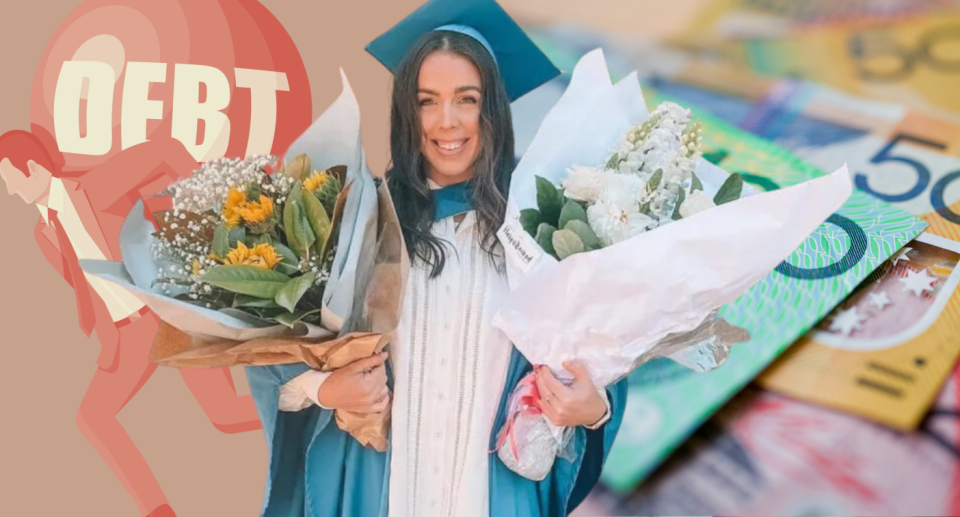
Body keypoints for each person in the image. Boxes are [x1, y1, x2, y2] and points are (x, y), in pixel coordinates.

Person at [245, 0, 626, 516]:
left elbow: (602, 357)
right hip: (378, 489)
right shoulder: (357, 220)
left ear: (491, 108)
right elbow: (273, 359)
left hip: (493, 494)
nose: (446, 122)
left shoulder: (541, 228)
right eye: (427, 101)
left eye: (466, 99)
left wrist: (595, 409)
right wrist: (328, 388)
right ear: (407, 111)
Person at [0, 131, 263, 517]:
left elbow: (164, 150)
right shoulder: (43, 233)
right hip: (127, 336)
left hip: (165, 313)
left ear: (34, 170)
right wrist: (110, 338)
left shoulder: (92, 188)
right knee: (93, 416)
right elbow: (89, 287)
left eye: (9, 178)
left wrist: (203, 208)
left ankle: (311, 397)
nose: (8, 190)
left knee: (226, 414)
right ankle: (158, 512)